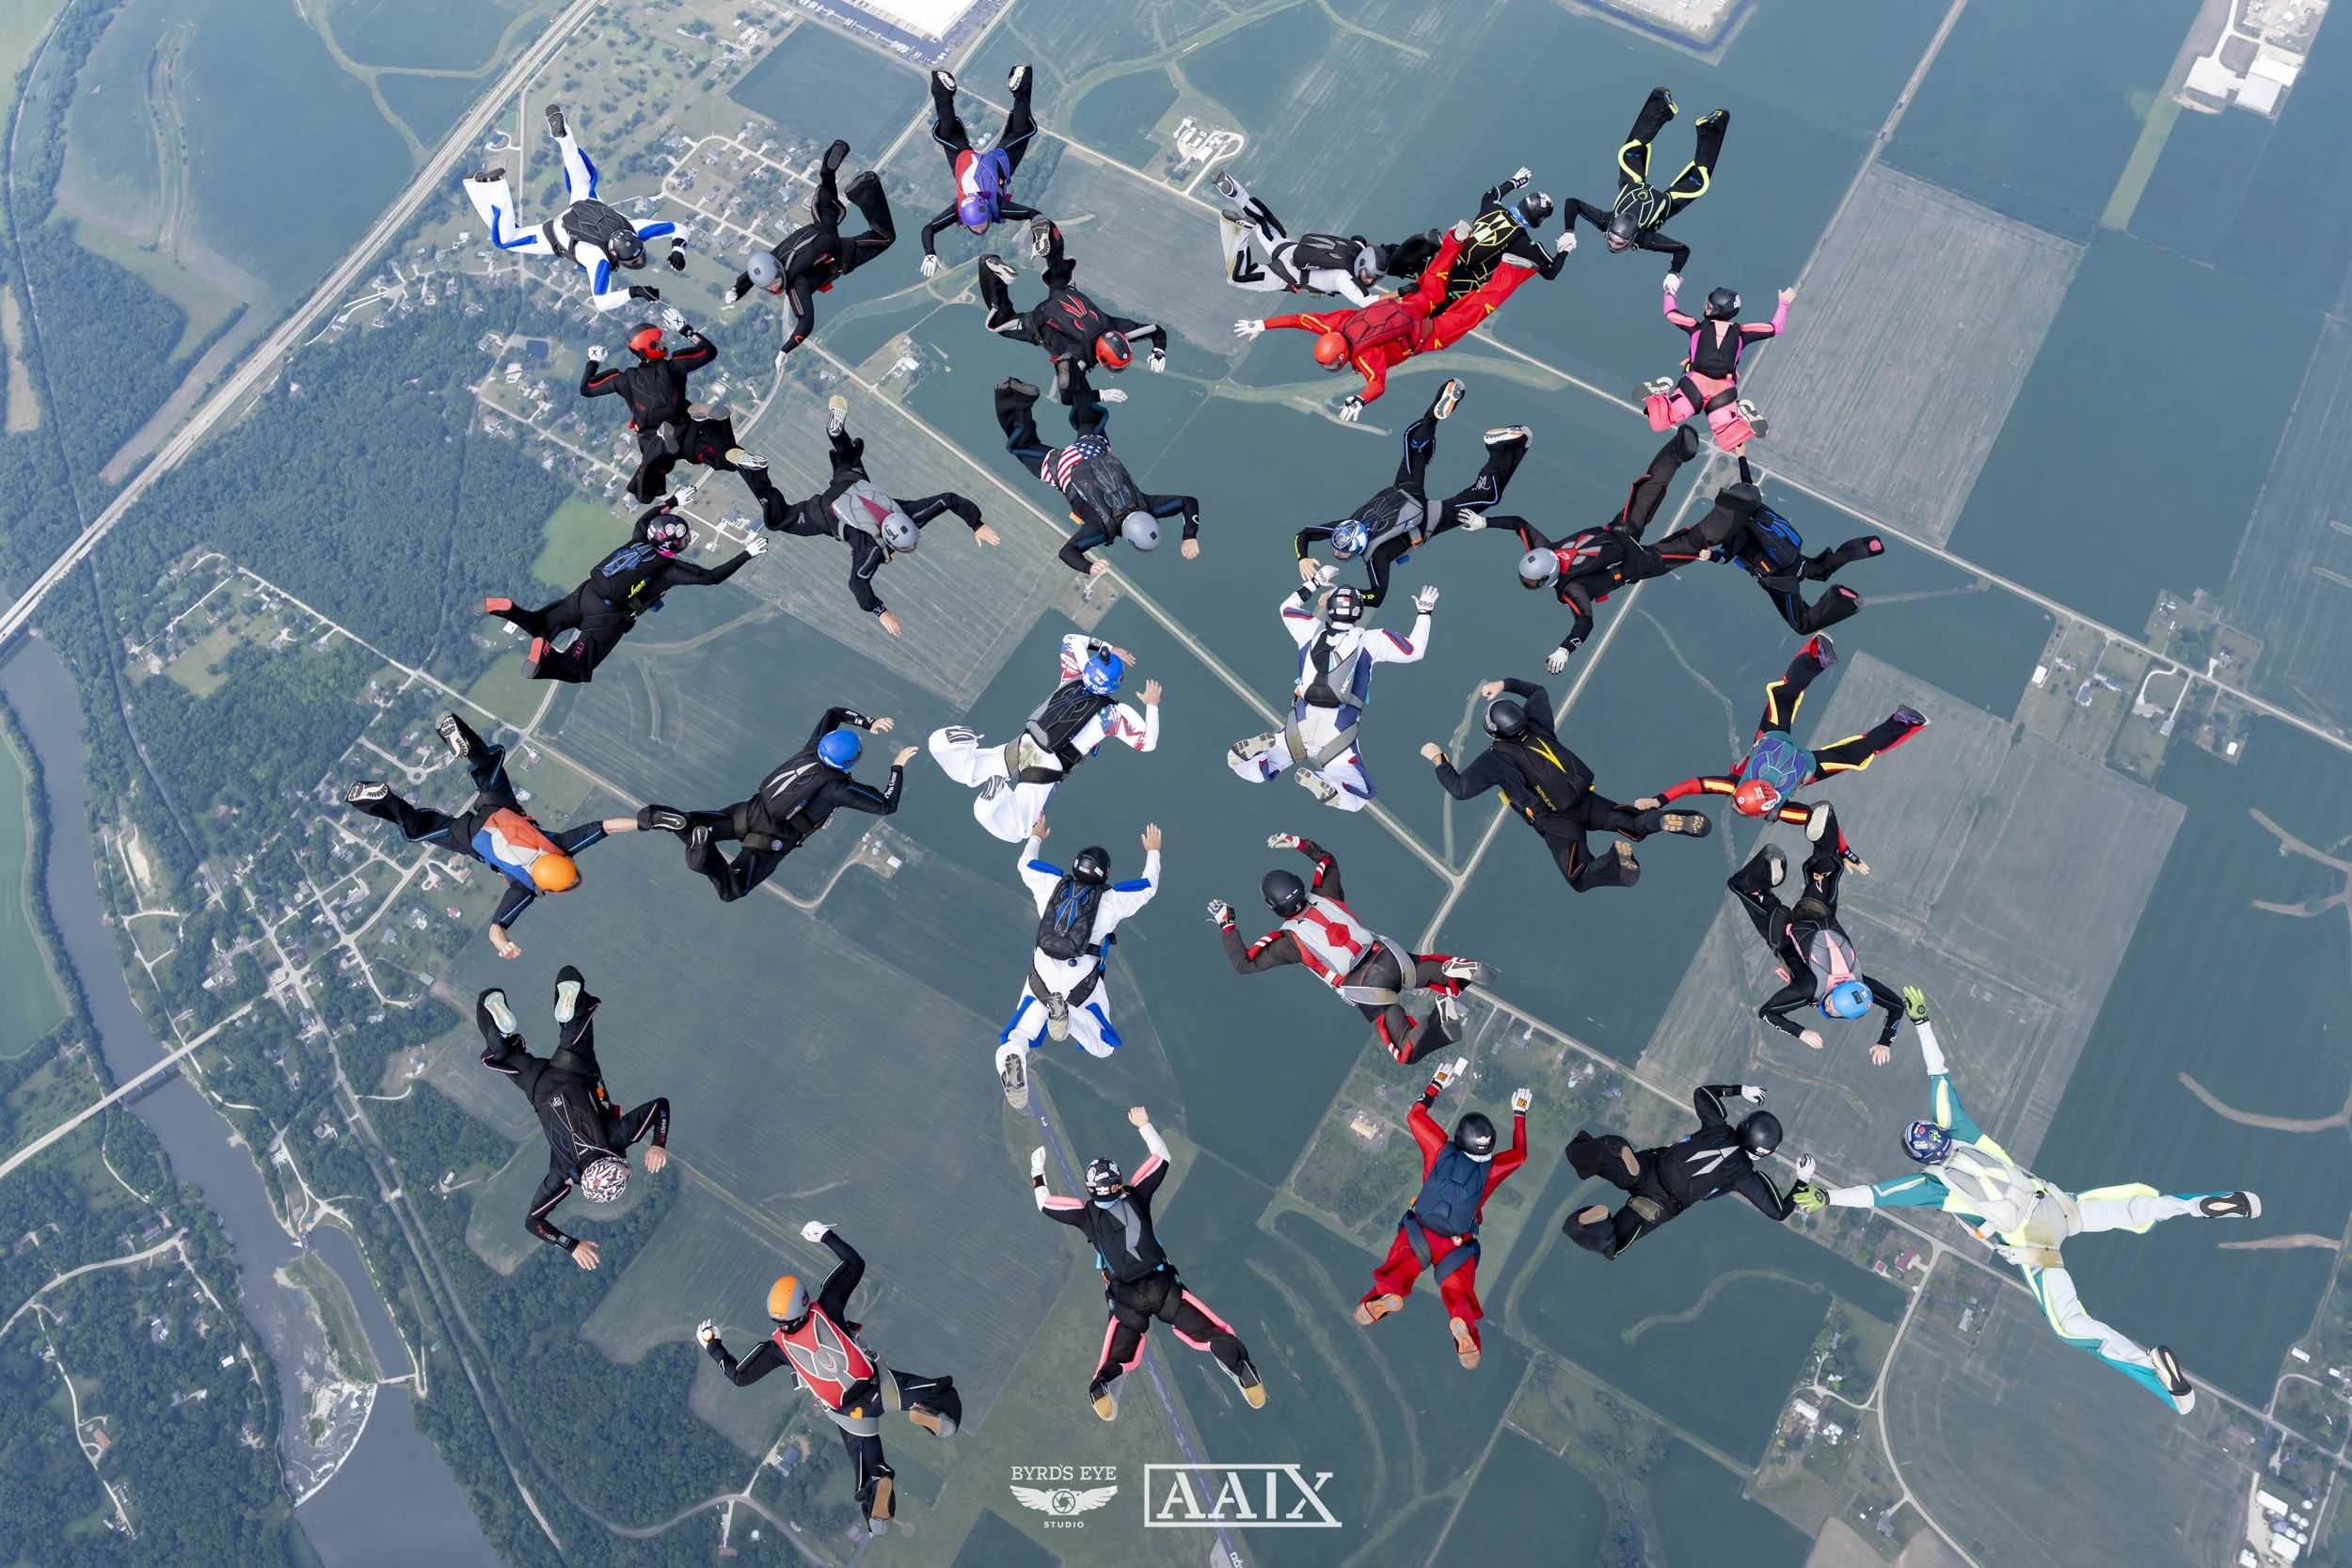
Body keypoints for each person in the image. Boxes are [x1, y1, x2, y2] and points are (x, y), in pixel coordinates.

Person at [1792, 990, 2262, 1414]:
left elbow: (1876, 1195)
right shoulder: (1964, 1133)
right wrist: (1922, 1022)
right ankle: (2205, 1204)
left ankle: (2155, 1373)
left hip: (2036, 1246)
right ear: (1937, 1133)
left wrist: (1827, 1195)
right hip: (2060, 1206)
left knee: (2072, 1326)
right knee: (2136, 1207)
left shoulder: (1936, 1186)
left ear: (1922, 1159)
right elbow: (1939, 1075)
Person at [699, 1224, 961, 1531]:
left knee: (867, 1465)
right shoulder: (827, 1307)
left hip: (849, 1414)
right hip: (879, 1386)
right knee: (937, 1394)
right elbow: (855, 1263)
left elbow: (738, 1377)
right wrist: (825, 1235)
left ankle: (877, 1493)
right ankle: (930, 1410)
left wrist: (712, 1344)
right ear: (804, 1301)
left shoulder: (776, 1349)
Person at [1030, 1106, 1265, 1419]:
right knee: (1210, 1330)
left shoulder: (1085, 1216)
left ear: (1090, 1190)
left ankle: (1103, 1385)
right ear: (1118, 1182)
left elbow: (1045, 1203)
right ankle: (1241, 1368)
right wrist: (1144, 1125)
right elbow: (1161, 1157)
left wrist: (1037, 1170)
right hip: (1161, 1285)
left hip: (1126, 1296)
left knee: (1118, 1353)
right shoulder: (1136, 1195)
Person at [345, 714, 641, 958]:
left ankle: (463, 741)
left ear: (568, 864)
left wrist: (643, 822)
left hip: (500, 810)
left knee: (487, 765)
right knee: (419, 828)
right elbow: (496, 928)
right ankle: (384, 800)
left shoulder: (561, 846)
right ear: (550, 887)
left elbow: (607, 827)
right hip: (470, 836)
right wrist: (504, 946)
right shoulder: (525, 889)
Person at [1212, 832, 1494, 1064]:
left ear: (1273, 907)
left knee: (1406, 1050)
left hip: (1364, 987)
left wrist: (1227, 924)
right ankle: (1451, 970)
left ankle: (1440, 1020)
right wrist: (1297, 843)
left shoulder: (1288, 942)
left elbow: (1244, 964)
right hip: (1388, 955)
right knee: (1425, 970)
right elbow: (1326, 860)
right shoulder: (1326, 893)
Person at [1422, 679, 1710, 893]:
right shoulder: (1537, 723)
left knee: (1579, 876)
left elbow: (1459, 789)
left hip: (1555, 821)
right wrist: (1503, 685)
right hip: (1585, 799)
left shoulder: (1494, 759)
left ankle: (1615, 863)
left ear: (1494, 732)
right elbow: (1537, 691)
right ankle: (1659, 819)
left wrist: (1438, 758)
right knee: (1633, 823)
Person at [1641, 634, 1926, 841]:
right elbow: (1694, 785)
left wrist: (1843, 851)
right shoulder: (1734, 787)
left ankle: (1902, 721)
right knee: (1786, 698)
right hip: (1780, 746)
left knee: (1851, 753)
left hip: (1799, 761)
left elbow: (1818, 817)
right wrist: (1658, 800)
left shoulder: (1775, 808)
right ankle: (1817, 657)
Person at [1235, 224, 1528, 419]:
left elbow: (1377, 385)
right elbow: (1299, 320)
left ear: (1341, 357)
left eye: (1332, 364)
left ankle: (1514, 270)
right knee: (1433, 280)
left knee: (1474, 311)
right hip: (1406, 306)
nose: (1332, 367)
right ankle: (1454, 239)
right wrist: (1261, 324)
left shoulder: (1366, 357)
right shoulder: (1335, 324)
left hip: (1427, 334)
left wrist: (1360, 400)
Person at [475, 973, 668, 1268]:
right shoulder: (564, 1173)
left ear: (618, 1163)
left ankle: (567, 1016)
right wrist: (571, 1245)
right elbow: (534, 1222)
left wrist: (658, 1144)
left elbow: (660, 1107)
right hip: (538, 1086)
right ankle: (500, 1031)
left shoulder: (618, 1138)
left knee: (570, 979)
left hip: (574, 1070)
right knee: (500, 1046)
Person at [761, 396, 998, 635]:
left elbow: (947, 500)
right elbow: (857, 583)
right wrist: (880, 612)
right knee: (778, 520)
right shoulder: (871, 551)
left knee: (849, 456)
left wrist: (977, 524)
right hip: (824, 511)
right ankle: (756, 471)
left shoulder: (911, 516)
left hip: (851, 481)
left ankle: (836, 433)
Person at [1355, 1056, 1528, 1370]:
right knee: (1457, 1290)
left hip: (1419, 1232)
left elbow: (1415, 1115)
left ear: (1460, 1137)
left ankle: (1386, 1295)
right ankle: (1461, 1321)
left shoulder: (1439, 1150)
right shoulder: (1491, 1170)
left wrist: (1436, 1085)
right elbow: (1520, 1155)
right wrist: (1519, 1115)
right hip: (1456, 1244)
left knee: (1400, 1269)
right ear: (1487, 1146)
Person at [637, 708, 914, 903]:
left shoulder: (812, 747)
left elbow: (834, 713)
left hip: (750, 810)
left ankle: (670, 820)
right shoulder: (837, 788)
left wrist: (868, 722)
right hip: (773, 838)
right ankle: (701, 859)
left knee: (701, 825)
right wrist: (897, 766)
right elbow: (886, 804)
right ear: (850, 761)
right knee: (731, 889)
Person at [1292, 378, 1527, 607]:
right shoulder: (1346, 525)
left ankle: (1498, 449)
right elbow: (1304, 534)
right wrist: (1302, 557)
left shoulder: (1376, 557)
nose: (1336, 552)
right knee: (1415, 451)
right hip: (1404, 491)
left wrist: (1337, 595)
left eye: (1341, 551)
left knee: (1485, 496)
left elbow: (1376, 597)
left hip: (1429, 519)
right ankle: (1435, 413)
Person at [481, 493, 761, 682]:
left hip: (586, 593)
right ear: (672, 544)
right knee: (577, 670)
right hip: (608, 615)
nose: (687, 542)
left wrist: (673, 501)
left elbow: (643, 520)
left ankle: (509, 610)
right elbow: (711, 577)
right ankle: (546, 659)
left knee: (542, 624)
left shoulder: (639, 539)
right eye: (684, 539)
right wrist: (747, 553)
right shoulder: (670, 570)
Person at [1505, 424, 1707, 666]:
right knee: (1647, 491)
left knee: (1687, 547)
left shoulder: (1571, 589)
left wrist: (1565, 650)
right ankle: (1678, 451)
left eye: (1532, 581)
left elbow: (1585, 623)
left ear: (1548, 575)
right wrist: (1483, 522)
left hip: (1634, 564)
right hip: (1618, 532)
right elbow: (1517, 523)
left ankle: (1732, 512)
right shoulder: (1547, 548)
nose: (1531, 584)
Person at [1228, 579, 1437, 810]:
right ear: (1358, 612)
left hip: (1300, 722)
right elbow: (1415, 651)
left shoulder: (1310, 629)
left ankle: (1242, 759)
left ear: (1330, 608)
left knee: (1257, 767)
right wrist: (1424, 611)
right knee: (1359, 796)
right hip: (1339, 729)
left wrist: (1314, 582)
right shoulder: (1372, 640)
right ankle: (1326, 784)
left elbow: (1286, 608)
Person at [929, 635, 1161, 842]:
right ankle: (988, 802)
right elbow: (1148, 743)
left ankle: (945, 744)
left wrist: (1108, 648)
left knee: (970, 769)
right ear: (1116, 683)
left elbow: (1070, 640)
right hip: (1048, 765)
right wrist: (1151, 705)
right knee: (1018, 830)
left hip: (1026, 744)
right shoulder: (1112, 714)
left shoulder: (1073, 675)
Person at [995, 819, 1162, 1107]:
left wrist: (1036, 837)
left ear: (1075, 864)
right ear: (1105, 873)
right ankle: (1067, 1019)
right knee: (1104, 1045)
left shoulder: (1049, 883)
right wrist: (1153, 852)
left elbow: (1025, 864)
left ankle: (1016, 1055)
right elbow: (1148, 887)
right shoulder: (1111, 900)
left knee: (1018, 1036)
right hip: (1080, 976)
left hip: (1043, 971)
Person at [1724, 805, 1905, 1063]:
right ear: (1830, 1003)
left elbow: (1897, 1007)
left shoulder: (1861, 983)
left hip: (1819, 916)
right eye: (1834, 1009)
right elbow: (1767, 1013)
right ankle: (1765, 871)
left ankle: (1823, 836)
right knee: (1741, 887)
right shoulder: (1809, 990)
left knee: (1827, 866)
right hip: (1783, 932)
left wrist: (1885, 1042)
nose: (1831, 1010)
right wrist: (1800, 1032)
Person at [464, 103, 686, 312]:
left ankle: (564, 138)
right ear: (615, 254)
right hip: (555, 234)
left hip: (585, 205)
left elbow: (678, 229)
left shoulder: (636, 229)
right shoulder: (600, 260)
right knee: (506, 240)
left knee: (582, 179)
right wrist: (634, 292)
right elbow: (601, 302)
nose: (639, 261)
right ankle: (496, 187)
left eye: (635, 259)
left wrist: (678, 249)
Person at [1565, 1084, 1809, 1259]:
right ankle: (1583, 1225)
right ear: (1764, 1152)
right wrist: (1803, 1180)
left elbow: (1702, 1093)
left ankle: (1609, 1155)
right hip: (1661, 1202)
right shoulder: (1743, 1176)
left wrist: (1740, 1090)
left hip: (1652, 1167)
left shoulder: (1718, 1128)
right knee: (1613, 1245)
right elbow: (1778, 1212)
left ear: (1745, 1125)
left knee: (1589, 1155)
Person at [995, 377, 1200, 575]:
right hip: (1062, 467)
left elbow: (1188, 502)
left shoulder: (1147, 505)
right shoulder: (1101, 528)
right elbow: (1067, 553)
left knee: (1088, 418)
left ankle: (1073, 374)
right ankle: (1014, 398)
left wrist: (1189, 536)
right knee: (1023, 446)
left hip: (1092, 449)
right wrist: (1089, 567)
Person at [1649, 465, 1883, 634]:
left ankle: (1841, 599)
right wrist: (1741, 456)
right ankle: (1867, 547)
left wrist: (1710, 556)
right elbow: (1748, 485)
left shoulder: (1733, 533)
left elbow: (1726, 557)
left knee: (1802, 625)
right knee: (1821, 568)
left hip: (1778, 579)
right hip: (1795, 562)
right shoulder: (1751, 511)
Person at [979, 223, 1168, 430]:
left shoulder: (1117, 329)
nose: (1119, 369)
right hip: (1038, 322)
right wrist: (1101, 395)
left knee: (1058, 268)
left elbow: (1155, 330)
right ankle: (991, 272)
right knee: (1000, 324)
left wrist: (1158, 351)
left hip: (1063, 294)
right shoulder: (1080, 358)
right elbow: (1067, 396)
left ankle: (1046, 230)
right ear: (1102, 358)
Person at [580, 311, 776, 506]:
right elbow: (708, 351)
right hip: (688, 429)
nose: (664, 344)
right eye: (659, 342)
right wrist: (685, 329)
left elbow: (587, 388)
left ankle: (665, 443)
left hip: (653, 440)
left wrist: (593, 362)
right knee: (714, 455)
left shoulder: (624, 380)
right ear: (650, 347)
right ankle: (732, 453)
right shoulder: (673, 366)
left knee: (646, 490)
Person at [727, 139, 895, 358]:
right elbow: (752, 275)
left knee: (885, 237)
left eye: (774, 282)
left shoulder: (797, 286)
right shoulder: (773, 257)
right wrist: (736, 290)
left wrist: (785, 350)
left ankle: (865, 189)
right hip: (820, 228)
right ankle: (831, 174)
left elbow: (806, 323)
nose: (774, 285)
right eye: (770, 285)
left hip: (840, 255)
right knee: (827, 197)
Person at [1212, 168, 1440, 307]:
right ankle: (1241, 231)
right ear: (1362, 265)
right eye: (1369, 276)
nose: (1370, 281)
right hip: (1286, 274)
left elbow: (1361, 240)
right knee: (1237, 277)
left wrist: (1381, 252)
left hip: (1289, 249)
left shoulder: (1356, 246)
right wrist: (1400, 292)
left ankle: (1236, 192)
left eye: (1373, 278)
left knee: (1264, 222)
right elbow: (1367, 302)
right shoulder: (1344, 279)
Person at [1564, 87, 1726, 280]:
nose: (1613, 245)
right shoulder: (1637, 236)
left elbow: (1572, 203)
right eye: (1617, 242)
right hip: (1665, 202)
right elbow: (1682, 250)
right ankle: (1709, 127)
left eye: (1613, 240)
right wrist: (1674, 273)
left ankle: (1662, 107)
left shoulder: (1609, 224)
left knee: (1629, 152)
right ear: (1630, 238)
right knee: (1699, 182)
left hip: (1634, 185)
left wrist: (1569, 231)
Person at [1642, 283, 1793, 455]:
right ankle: (1743, 416)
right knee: (1729, 442)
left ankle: (1661, 393)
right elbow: (1776, 327)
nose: (1706, 308)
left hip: (1695, 385)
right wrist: (1784, 303)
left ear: (1717, 310)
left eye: (1709, 306)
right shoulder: (1742, 333)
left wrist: (1670, 290)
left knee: (1660, 421)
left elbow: (1670, 312)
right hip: (1723, 391)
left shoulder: (1696, 327)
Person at [918, 65, 1042, 272]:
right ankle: (942, 88)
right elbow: (928, 229)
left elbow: (1033, 214)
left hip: (990, 164)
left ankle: (1020, 89)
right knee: (950, 134)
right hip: (968, 163)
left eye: (975, 226)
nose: (979, 228)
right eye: (979, 225)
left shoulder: (998, 208)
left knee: (1019, 132)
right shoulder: (960, 210)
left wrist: (930, 252)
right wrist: (929, 252)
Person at [1438, 168, 1571, 305]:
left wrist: (1514, 182)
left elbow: (1491, 194)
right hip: (1457, 289)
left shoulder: (1492, 207)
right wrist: (1564, 250)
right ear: (1540, 219)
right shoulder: (1523, 242)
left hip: (1441, 265)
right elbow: (1550, 272)